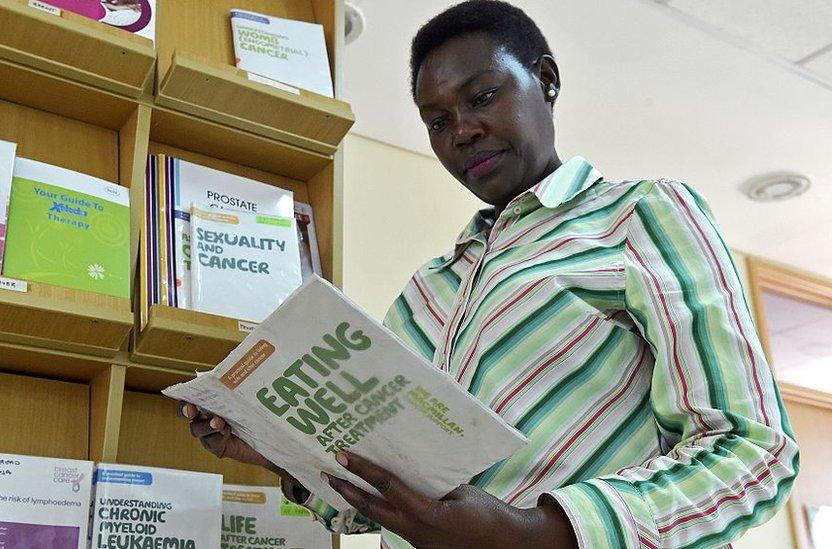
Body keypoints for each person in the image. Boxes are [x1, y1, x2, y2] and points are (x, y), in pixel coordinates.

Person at [180, 1, 799, 547]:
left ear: (546, 80)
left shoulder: (639, 216)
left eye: (481, 97)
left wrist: (537, 535)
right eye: (437, 120)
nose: (462, 131)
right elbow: (392, 501)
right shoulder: (425, 292)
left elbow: (750, 451)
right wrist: (282, 455)